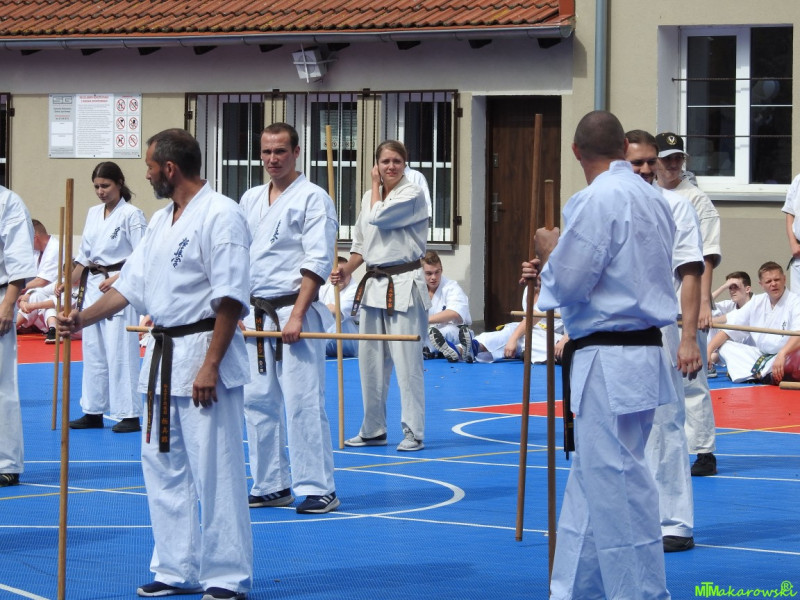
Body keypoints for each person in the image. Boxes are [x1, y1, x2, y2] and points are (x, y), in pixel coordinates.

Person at [58, 129, 253, 600]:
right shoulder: (163, 220)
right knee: (162, 466)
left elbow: (230, 297)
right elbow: (130, 287)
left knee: (216, 470)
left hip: (204, 351)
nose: (145, 175)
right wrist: (81, 319)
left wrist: (210, 365)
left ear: (169, 168)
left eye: (149, 166)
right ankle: (174, 567)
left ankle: (226, 575)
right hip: (163, 357)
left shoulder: (221, 214)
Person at [523, 111, 687, 600]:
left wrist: (549, 252)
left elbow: (572, 282)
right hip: (641, 352)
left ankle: (639, 594)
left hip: (609, 358)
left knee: (617, 486)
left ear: (577, 152)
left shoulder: (595, 199)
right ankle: (574, 590)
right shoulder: (654, 198)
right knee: (593, 480)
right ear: (622, 148)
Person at [240, 122, 340, 515]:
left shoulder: (314, 198)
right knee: (257, 401)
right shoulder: (250, 198)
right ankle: (270, 484)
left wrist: (297, 315)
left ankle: (319, 487)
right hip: (256, 313)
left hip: (294, 311)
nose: (272, 159)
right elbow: (239, 256)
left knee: (302, 401)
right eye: (266, 152)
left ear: (296, 152)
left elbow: (317, 260)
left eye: (280, 151)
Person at [626, 129, 704, 554]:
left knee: (665, 423)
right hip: (611, 332)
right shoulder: (603, 205)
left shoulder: (677, 207)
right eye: (635, 162)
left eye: (649, 162)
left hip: (659, 330)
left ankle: (674, 522)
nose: (644, 169)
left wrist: (688, 337)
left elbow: (690, 273)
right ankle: (626, 518)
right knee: (614, 426)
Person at [334, 140, 429, 452]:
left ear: (405, 164)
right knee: (370, 362)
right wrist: (347, 270)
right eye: (385, 161)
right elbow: (361, 242)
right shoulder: (368, 197)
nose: (391, 166)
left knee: (407, 362)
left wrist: (375, 185)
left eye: (397, 161)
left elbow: (379, 217)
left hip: (404, 284)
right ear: (376, 164)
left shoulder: (413, 193)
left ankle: (413, 431)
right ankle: (374, 428)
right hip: (374, 285)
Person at [655, 131, 721, 477]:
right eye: (667, 159)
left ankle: (703, 450)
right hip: (656, 304)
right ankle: (665, 446)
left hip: (687, 300)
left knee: (692, 379)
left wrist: (705, 303)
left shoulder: (695, 199)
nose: (673, 164)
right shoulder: (648, 196)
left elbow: (705, 256)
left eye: (678, 158)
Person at [65, 162, 147, 434]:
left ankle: (130, 414)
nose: (101, 191)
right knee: (93, 350)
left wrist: (118, 277)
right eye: (97, 187)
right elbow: (84, 257)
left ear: (119, 183)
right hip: (92, 285)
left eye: (106, 186)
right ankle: (93, 410)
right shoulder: (93, 213)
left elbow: (142, 255)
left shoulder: (132, 215)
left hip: (120, 287)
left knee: (120, 350)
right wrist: (67, 282)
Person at [707, 262, 800, 385]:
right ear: (761, 285)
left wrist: (783, 353)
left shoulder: (795, 301)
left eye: (777, 279)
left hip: (787, 354)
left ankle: (757, 374)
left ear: (784, 279)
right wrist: (708, 351)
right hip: (760, 355)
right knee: (725, 347)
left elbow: (798, 334)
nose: (773, 284)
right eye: (768, 281)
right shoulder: (756, 302)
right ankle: (762, 374)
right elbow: (728, 330)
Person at [0, 185, 37, 488]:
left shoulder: (8, 202)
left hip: (0, 294)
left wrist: (8, 303)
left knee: (1, 383)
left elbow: (19, 259)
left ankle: (6, 462)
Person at [471, 287, 565, 363]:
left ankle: (476, 347)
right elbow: (528, 321)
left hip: (557, 337)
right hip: (531, 331)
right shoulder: (528, 289)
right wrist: (514, 339)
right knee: (513, 331)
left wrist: (564, 340)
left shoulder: (556, 291)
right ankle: (473, 347)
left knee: (519, 336)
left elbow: (535, 316)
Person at [422, 250, 474, 362]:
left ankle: (427, 350)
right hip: (426, 331)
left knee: (443, 333)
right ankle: (431, 350)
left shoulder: (451, 287)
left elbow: (454, 313)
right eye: (429, 273)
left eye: (437, 272)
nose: (434, 277)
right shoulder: (418, 289)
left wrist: (424, 320)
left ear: (442, 270)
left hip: (454, 331)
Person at [709, 271, 753, 372]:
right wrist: (723, 287)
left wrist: (710, 321)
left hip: (752, 353)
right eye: (730, 287)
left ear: (747, 289)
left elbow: (735, 316)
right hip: (730, 353)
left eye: (736, 287)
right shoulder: (730, 304)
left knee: (711, 325)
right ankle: (709, 359)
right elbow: (702, 305)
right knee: (708, 322)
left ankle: (709, 358)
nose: (732, 291)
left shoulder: (757, 303)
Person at [319, 256, 359, 357]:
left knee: (338, 320)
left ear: (350, 273)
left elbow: (335, 310)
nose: (339, 277)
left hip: (351, 344)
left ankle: (314, 346)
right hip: (329, 344)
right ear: (330, 275)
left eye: (342, 273)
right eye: (336, 274)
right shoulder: (323, 289)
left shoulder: (357, 291)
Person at [19, 219, 59, 294]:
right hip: (38, 293)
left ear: (35, 238)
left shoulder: (55, 249)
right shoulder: (36, 250)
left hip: (54, 295)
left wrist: (16, 289)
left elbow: (42, 281)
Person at [782, 173, 800, 293]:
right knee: (797, 300)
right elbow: (790, 212)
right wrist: (793, 243)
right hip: (799, 252)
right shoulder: (798, 180)